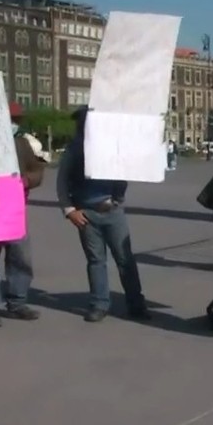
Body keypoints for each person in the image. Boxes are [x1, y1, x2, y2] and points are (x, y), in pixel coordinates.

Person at [56, 106, 151, 323]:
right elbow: (62, 182)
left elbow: (123, 173)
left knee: (125, 259)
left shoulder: (109, 146)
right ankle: (99, 304)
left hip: (113, 212)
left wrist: (118, 198)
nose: (81, 126)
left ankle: (136, 304)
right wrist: (70, 210)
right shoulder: (75, 150)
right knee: (96, 261)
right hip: (86, 214)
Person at [0, 102, 47, 328]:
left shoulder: (23, 144)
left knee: (20, 256)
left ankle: (17, 303)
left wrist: (26, 181)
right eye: (10, 119)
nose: (13, 124)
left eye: (16, 120)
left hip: (15, 210)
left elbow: (37, 171)